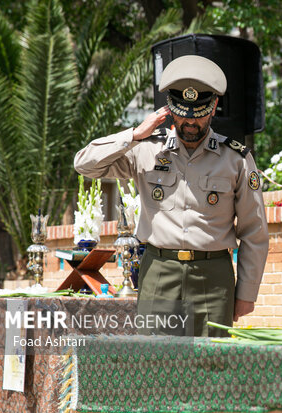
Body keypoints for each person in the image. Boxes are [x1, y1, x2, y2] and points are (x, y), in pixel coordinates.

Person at [74, 55, 269, 336]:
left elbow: (254, 231)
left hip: (213, 277)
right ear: (169, 110)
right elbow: (84, 164)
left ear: (213, 107)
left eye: (198, 114)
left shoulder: (235, 159)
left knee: (210, 367)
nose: (190, 122)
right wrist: (133, 135)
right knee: (155, 365)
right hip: (159, 271)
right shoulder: (145, 150)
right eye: (182, 114)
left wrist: (246, 293)